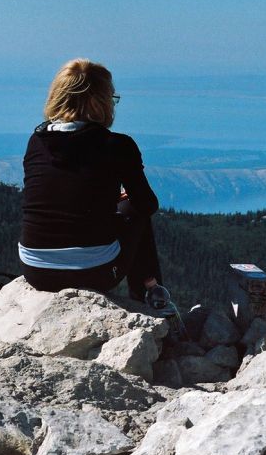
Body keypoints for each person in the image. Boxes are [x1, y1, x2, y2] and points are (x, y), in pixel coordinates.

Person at [18, 58, 172, 312]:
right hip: (93, 273)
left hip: (36, 271)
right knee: (136, 210)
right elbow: (147, 204)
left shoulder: (37, 142)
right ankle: (150, 297)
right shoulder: (118, 145)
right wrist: (122, 201)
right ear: (99, 102)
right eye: (112, 98)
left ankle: (150, 295)